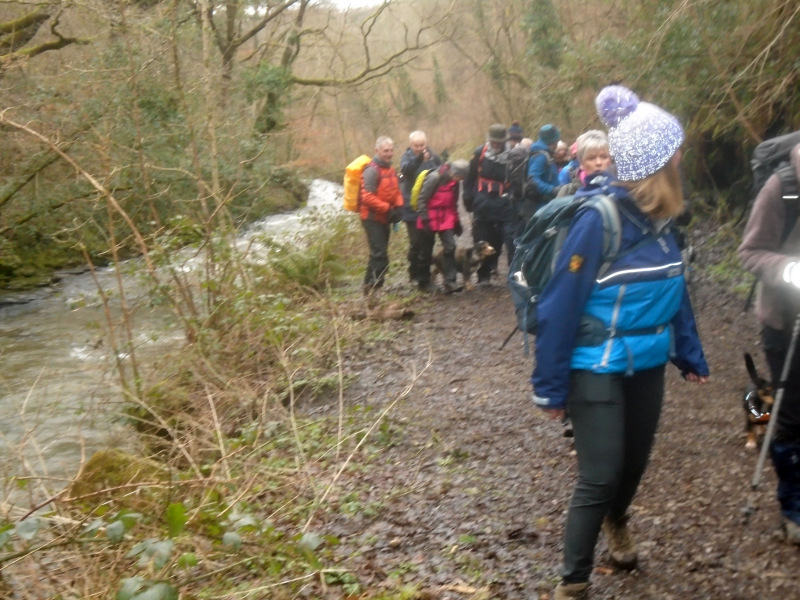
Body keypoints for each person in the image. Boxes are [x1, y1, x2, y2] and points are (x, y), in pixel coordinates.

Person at [532, 85, 710, 600]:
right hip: (595, 362)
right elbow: (558, 306)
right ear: (658, 163)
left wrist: (689, 354)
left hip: (647, 361)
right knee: (601, 471)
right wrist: (550, 386)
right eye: (675, 150)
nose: (682, 156)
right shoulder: (597, 221)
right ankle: (573, 580)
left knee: (633, 466)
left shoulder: (663, 221)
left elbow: (676, 289)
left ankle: (618, 521)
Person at [738, 141, 800, 546]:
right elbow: (751, 252)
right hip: (786, 321)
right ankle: (794, 507)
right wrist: (791, 269)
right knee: (794, 417)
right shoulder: (783, 187)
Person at [463, 124, 515, 284]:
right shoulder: (480, 153)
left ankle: (504, 270)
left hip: (503, 203)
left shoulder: (512, 156)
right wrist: (468, 198)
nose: (496, 144)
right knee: (482, 237)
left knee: (501, 238)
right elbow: (469, 177)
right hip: (482, 202)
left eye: (499, 141)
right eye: (493, 141)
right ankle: (483, 275)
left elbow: (517, 180)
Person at [414, 160, 469, 293]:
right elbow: (421, 199)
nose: (460, 180)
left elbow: (454, 203)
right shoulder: (434, 178)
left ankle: (450, 281)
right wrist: (425, 219)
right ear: (453, 172)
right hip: (429, 216)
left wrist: (456, 222)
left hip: (446, 217)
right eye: (460, 177)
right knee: (426, 251)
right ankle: (423, 282)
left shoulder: (455, 183)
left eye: (462, 178)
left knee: (450, 247)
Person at [359, 136, 404, 293]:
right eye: (386, 151)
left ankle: (369, 287)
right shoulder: (371, 171)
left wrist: (399, 207)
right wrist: (387, 209)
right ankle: (372, 289)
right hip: (372, 218)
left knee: (378, 254)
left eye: (391, 150)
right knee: (380, 256)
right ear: (376, 151)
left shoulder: (391, 169)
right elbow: (366, 197)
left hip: (385, 218)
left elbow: (396, 191)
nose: (389, 153)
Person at [400, 131, 442, 287]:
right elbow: (405, 170)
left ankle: (424, 278)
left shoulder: (433, 156)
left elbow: (441, 170)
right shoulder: (407, 157)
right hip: (411, 206)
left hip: (428, 206)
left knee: (428, 242)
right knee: (416, 242)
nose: (419, 148)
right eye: (416, 145)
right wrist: (419, 159)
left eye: (422, 145)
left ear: (426, 143)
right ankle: (414, 272)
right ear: (411, 145)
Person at [522, 124, 562, 223]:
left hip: (544, 205)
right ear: (553, 141)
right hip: (539, 207)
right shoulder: (541, 156)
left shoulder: (544, 153)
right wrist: (552, 190)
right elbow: (533, 179)